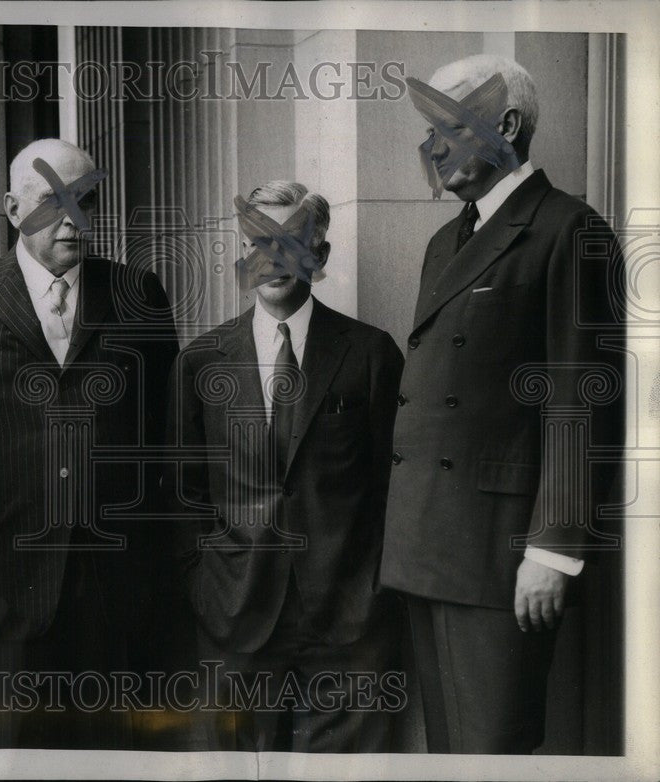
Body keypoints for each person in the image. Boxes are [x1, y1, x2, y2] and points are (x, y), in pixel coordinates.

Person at [380, 55, 625, 754]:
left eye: (446, 126)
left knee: (491, 752)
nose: (430, 148)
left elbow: (583, 402)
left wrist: (555, 548)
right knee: (451, 752)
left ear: (507, 124)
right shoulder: (443, 241)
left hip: (502, 552)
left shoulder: (566, 228)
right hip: (428, 544)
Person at [0, 138, 180, 749]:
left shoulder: (137, 293)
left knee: (118, 751)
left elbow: (164, 432)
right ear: (14, 209)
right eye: (51, 201)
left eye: (85, 199)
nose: (72, 218)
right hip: (7, 573)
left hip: (117, 572)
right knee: (18, 752)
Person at [169, 181, 405, 752]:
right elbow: (183, 493)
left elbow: (392, 485)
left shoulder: (371, 353)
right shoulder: (200, 362)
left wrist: (371, 589)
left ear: (319, 256)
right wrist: (205, 584)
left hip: (347, 621)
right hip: (235, 615)